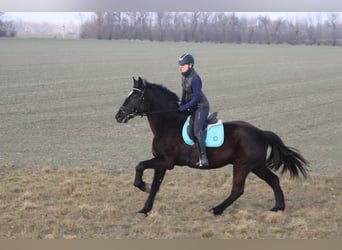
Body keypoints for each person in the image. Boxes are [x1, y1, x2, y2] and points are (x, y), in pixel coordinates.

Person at [178, 53, 210, 167]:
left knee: (197, 131)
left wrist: (185, 107)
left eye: (183, 65)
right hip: (193, 107)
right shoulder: (183, 76)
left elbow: (196, 98)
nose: (181, 67)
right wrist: (180, 105)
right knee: (189, 129)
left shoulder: (195, 78)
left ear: (190, 65)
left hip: (201, 107)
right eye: (180, 65)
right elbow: (184, 93)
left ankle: (204, 158)